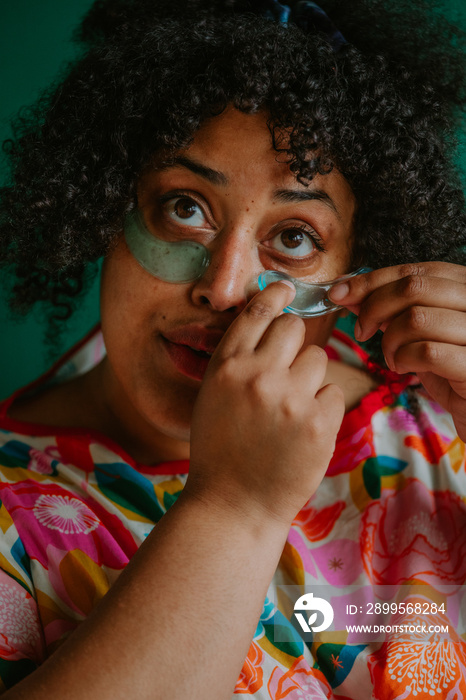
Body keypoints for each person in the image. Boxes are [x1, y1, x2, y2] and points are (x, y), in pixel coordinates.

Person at [0, 0, 465, 697]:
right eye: (185, 207)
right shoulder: (14, 514)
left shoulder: (435, 414)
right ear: (106, 209)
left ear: (355, 266)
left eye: (295, 237)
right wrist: (234, 509)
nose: (223, 290)